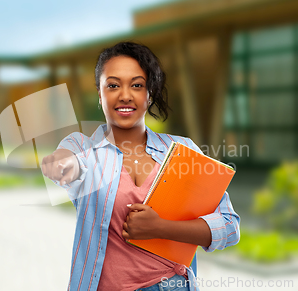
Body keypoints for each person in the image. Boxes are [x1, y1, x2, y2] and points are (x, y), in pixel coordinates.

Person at [41, 41, 240, 291]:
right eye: (113, 85)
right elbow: (67, 159)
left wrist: (160, 228)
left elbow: (229, 226)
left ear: (149, 93)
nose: (125, 95)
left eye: (137, 85)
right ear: (99, 93)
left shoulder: (182, 151)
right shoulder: (85, 150)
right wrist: (61, 164)